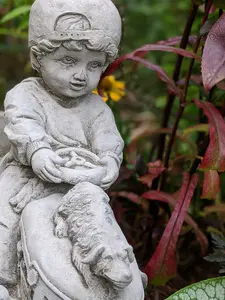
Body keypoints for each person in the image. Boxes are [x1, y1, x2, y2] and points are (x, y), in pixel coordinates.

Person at [0, 0, 124, 288]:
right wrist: (38, 151)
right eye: (69, 61)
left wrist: (108, 162)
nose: (82, 75)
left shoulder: (96, 107)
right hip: (27, 174)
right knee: (3, 213)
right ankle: (4, 277)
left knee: (96, 211)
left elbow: (108, 138)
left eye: (94, 65)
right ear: (38, 58)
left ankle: (108, 258)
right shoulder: (25, 94)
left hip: (79, 178)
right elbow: (22, 123)